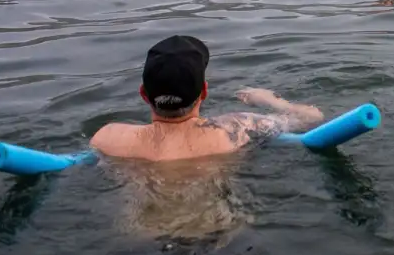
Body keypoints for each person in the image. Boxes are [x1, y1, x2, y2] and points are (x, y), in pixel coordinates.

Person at [90, 35, 325, 162]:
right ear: (204, 91)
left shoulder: (108, 138)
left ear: (143, 94)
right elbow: (312, 117)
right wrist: (270, 100)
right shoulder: (237, 128)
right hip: (218, 231)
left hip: (138, 235)